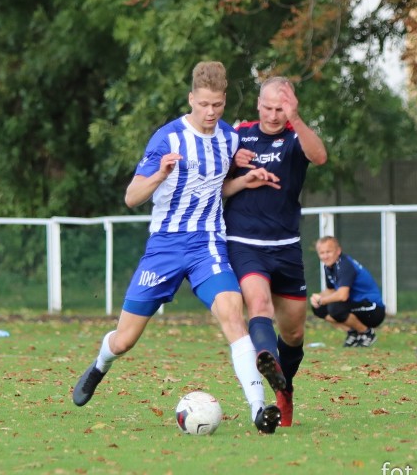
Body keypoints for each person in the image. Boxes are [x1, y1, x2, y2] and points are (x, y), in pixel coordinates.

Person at [72, 61, 284, 434]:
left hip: (208, 246)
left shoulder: (229, 139)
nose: (210, 113)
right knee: (124, 340)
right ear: (191, 99)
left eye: (217, 105)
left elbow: (216, 189)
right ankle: (100, 364)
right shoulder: (167, 139)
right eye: (203, 104)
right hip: (165, 248)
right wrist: (159, 175)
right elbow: (131, 197)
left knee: (235, 319)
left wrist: (244, 181)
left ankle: (258, 408)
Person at [222, 76, 327, 427]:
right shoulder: (239, 135)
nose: (272, 114)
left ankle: (285, 385)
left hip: (285, 246)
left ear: (290, 107)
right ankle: (266, 358)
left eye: (280, 108)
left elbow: (321, 156)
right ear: (257, 104)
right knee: (259, 304)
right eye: (267, 107)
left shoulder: (296, 135)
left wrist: (296, 119)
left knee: (294, 334)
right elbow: (216, 190)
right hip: (245, 242)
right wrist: (233, 164)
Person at [310, 236, 386, 347]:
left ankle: (367, 333)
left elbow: (342, 296)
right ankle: (353, 332)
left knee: (335, 308)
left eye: (328, 252)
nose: (325, 256)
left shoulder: (344, 265)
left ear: (338, 251)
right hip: (356, 306)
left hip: (373, 310)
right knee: (318, 308)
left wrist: (322, 300)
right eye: (322, 253)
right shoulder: (329, 266)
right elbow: (330, 290)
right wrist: (317, 298)